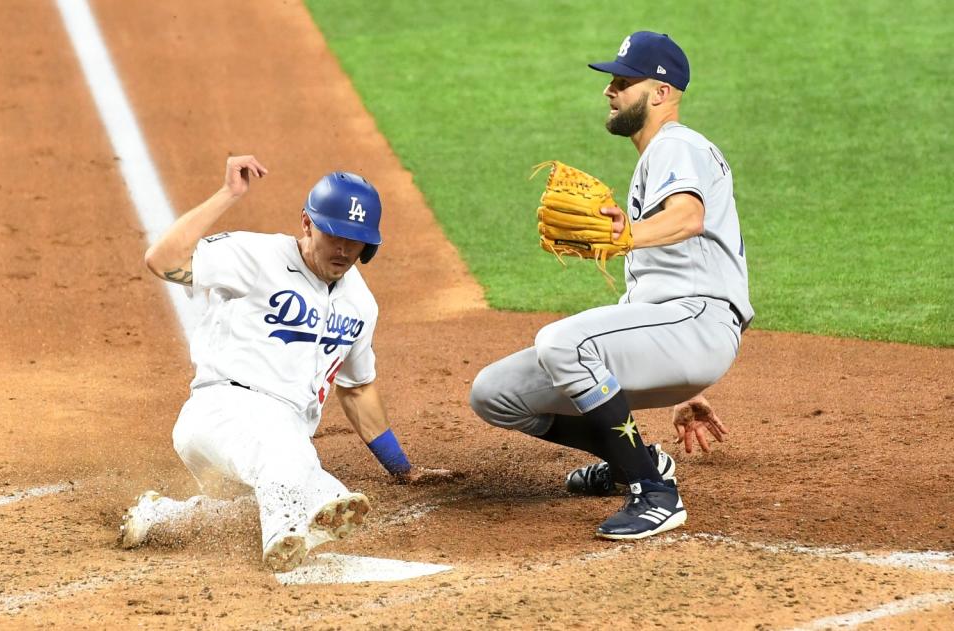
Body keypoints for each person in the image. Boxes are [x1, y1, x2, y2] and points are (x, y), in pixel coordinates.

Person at [470, 31, 753, 540]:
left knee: (563, 342)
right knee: (495, 393)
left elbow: (688, 218)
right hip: (675, 332)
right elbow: (663, 282)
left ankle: (655, 493)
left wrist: (627, 235)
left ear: (662, 93)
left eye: (625, 81)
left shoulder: (676, 144)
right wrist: (683, 388)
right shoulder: (656, 158)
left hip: (698, 324)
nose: (611, 90)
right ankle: (635, 459)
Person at [121, 155, 451, 571]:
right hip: (222, 411)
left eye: (356, 239)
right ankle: (282, 535)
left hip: (279, 440)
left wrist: (402, 468)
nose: (345, 248)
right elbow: (162, 260)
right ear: (307, 224)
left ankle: (163, 517)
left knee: (308, 491)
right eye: (334, 234)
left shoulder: (361, 304)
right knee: (298, 472)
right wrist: (228, 194)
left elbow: (358, 388)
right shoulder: (257, 256)